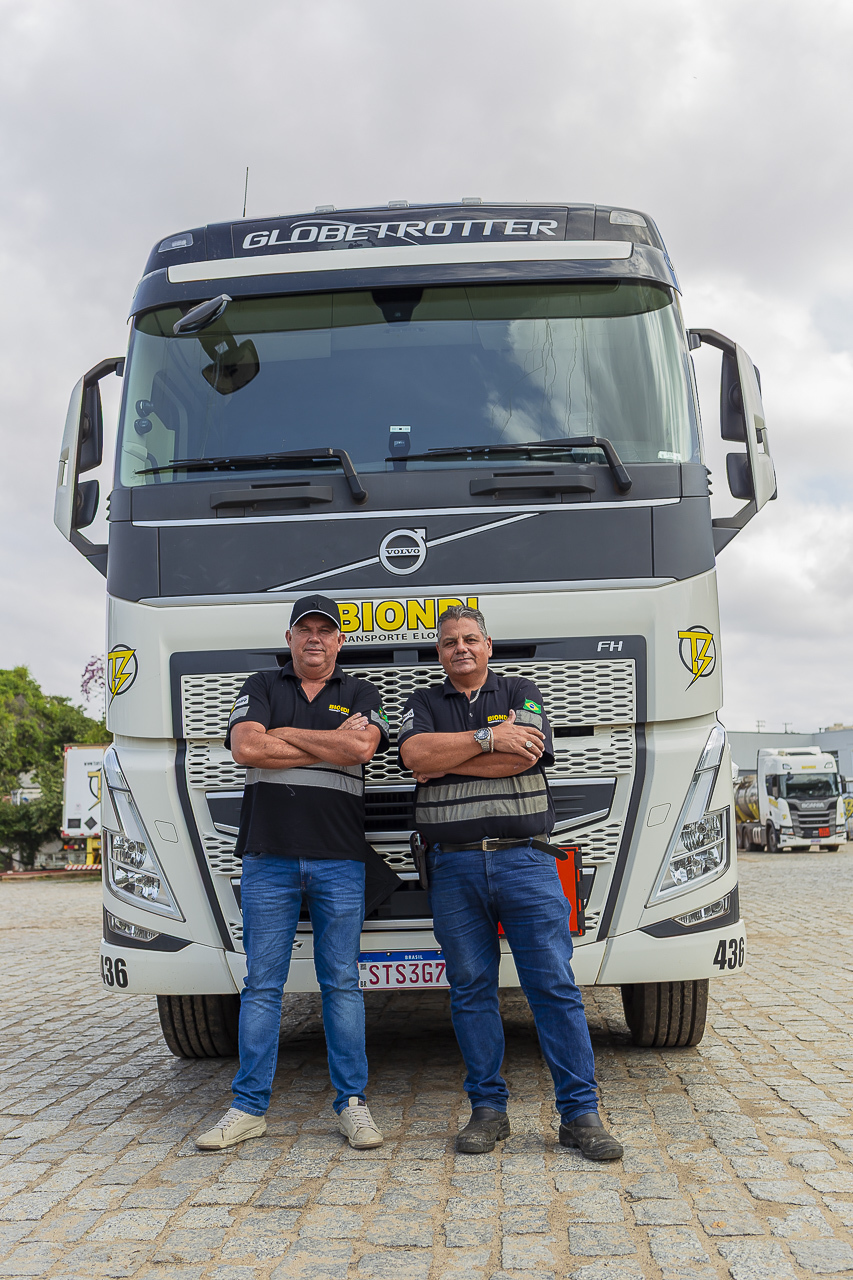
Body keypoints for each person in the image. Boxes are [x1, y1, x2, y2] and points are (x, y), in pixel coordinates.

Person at [398, 604, 622, 1160]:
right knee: (471, 990)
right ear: (439, 653)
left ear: (488, 645)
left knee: (554, 987)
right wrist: (488, 738)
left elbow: (526, 755)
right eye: (449, 642)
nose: (460, 648)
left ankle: (580, 1115)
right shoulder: (423, 702)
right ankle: (488, 1111)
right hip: (452, 868)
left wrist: (447, 758)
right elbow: (413, 754)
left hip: (526, 862)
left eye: (470, 639)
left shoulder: (521, 690)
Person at [196, 595, 389, 1152]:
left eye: (325, 631)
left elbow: (362, 746)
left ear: (339, 641)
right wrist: (329, 744)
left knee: (342, 983)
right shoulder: (262, 683)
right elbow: (245, 746)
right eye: (305, 630)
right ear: (290, 638)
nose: (315, 638)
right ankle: (248, 1108)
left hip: (340, 859)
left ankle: (352, 1104)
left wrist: (283, 735)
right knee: (262, 986)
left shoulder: (361, 692)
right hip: (268, 858)